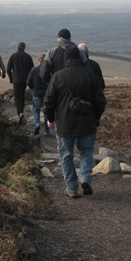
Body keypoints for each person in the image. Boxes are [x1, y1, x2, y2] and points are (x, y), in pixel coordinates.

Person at [44, 46, 107, 198]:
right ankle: (85, 177)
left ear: (66, 59)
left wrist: (51, 118)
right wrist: (96, 117)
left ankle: (72, 188)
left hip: (65, 123)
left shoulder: (58, 76)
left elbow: (49, 101)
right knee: (86, 151)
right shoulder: (90, 75)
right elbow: (100, 100)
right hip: (87, 122)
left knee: (66, 155)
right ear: (80, 58)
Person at [6, 42, 34, 124]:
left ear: (17, 47)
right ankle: (22, 111)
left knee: (17, 96)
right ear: (24, 48)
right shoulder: (28, 57)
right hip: (25, 80)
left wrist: (11, 78)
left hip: (16, 80)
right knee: (22, 95)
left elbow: (8, 69)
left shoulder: (13, 56)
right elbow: (32, 69)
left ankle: (20, 113)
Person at [26, 54, 50, 135]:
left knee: (36, 110)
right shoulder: (49, 71)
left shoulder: (34, 70)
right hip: (46, 93)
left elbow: (28, 82)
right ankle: (47, 131)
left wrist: (33, 88)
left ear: (38, 60)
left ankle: (37, 124)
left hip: (36, 93)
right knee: (46, 111)